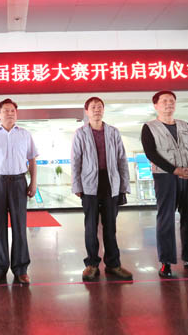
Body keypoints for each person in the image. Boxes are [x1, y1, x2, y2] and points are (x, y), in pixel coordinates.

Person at [141, 91, 188, 278]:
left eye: (172, 101)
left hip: (187, 176)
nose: (169, 104)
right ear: (156, 105)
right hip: (165, 177)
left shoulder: (185, 125)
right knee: (166, 218)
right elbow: (151, 153)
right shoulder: (149, 127)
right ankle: (166, 262)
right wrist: (174, 170)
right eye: (164, 101)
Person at [72, 97, 133, 282]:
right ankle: (92, 264)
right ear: (87, 111)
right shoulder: (80, 133)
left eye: (99, 107)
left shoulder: (113, 132)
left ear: (103, 110)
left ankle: (113, 264)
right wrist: (77, 185)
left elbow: (122, 159)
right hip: (89, 183)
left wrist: (124, 185)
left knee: (110, 227)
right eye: (93, 107)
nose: (97, 110)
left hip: (110, 183)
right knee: (91, 227)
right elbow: (76, 160)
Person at [0, 98, 38, 285]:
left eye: (13, 110)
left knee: (20, 227)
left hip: (19, 182)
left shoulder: (25, 134)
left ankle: (21, 269)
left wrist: (33, 183)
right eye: (6, 111)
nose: (10, 113)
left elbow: (32, 160)